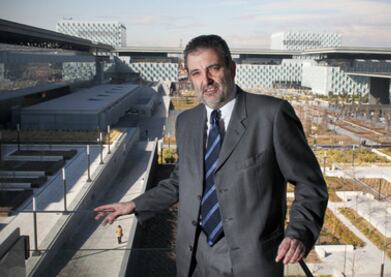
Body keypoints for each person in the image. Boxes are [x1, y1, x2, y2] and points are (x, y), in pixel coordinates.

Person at [95, 34, 328, 277]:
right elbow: (180, 181)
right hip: (194, 257)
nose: (205, 80)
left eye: (213, 68)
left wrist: (298, 233)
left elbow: (310, 184)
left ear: (231, 69)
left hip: (252, 260)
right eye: (195, 73)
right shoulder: (186, 122)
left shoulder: (272, 115)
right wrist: (134, 204)